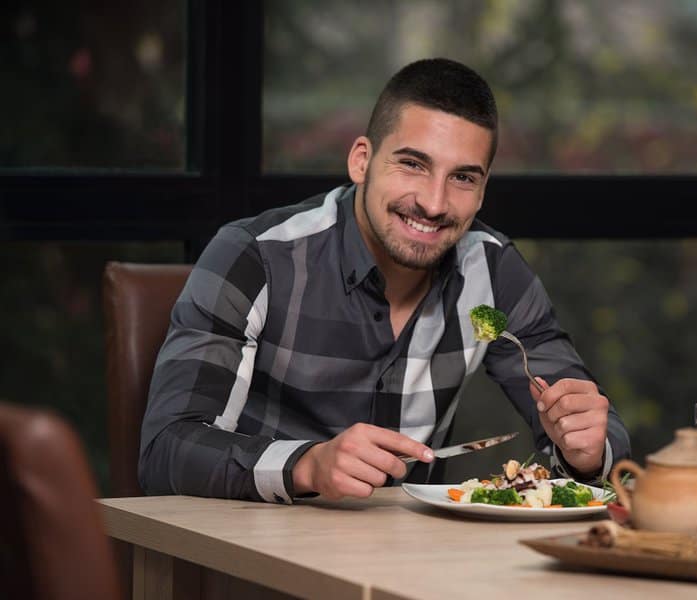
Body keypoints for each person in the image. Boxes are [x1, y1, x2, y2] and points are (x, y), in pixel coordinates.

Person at [139, 57, 631, 503]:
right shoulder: (256, 256)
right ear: (361, 160)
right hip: (254, 555)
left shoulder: (495, 271)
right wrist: (306, 464)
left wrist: (586, 449)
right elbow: (168, 448)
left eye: (463, 178)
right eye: (413, 164)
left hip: (413, 564)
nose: (434, 203)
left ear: (482, 191)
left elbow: (595, 430)